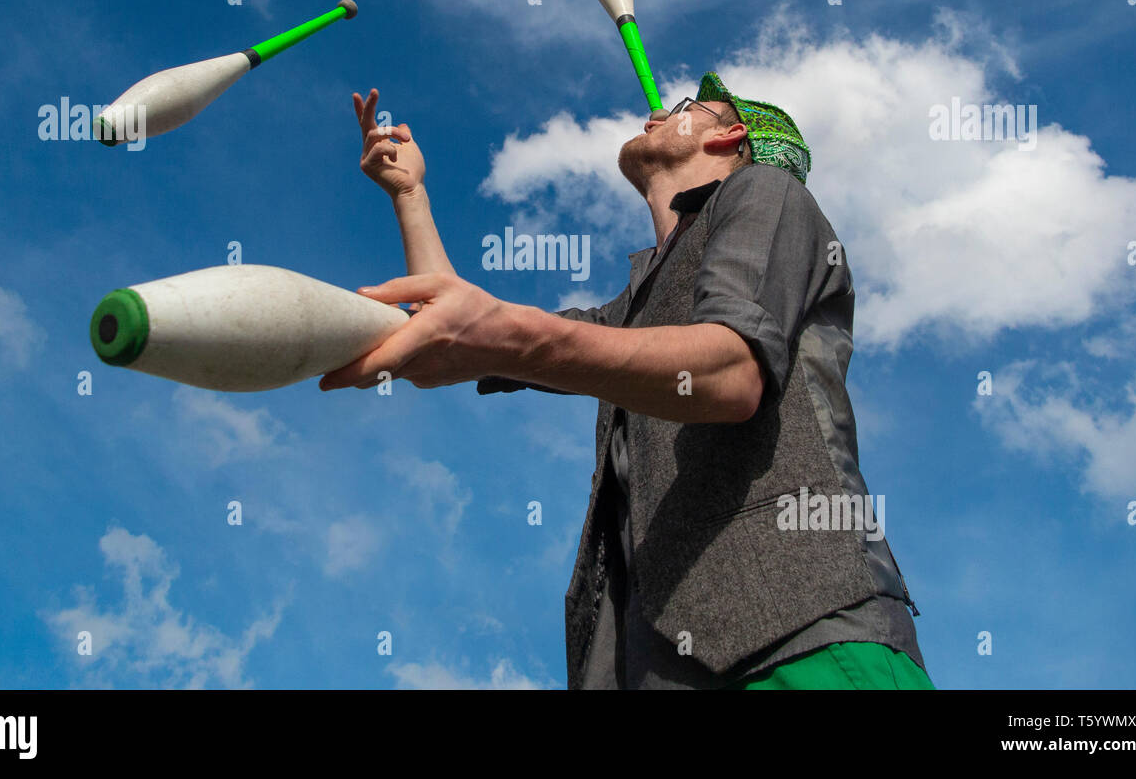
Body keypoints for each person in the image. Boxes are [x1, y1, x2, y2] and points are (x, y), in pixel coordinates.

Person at [321, 75, 933, 690]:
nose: (657, 113)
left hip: (800, 639)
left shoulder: (766, 192)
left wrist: (515, 333)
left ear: (731, 135)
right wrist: (410, 194)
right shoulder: (634, 307)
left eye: (689, 108)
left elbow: (730, 370)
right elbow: (452, 331)